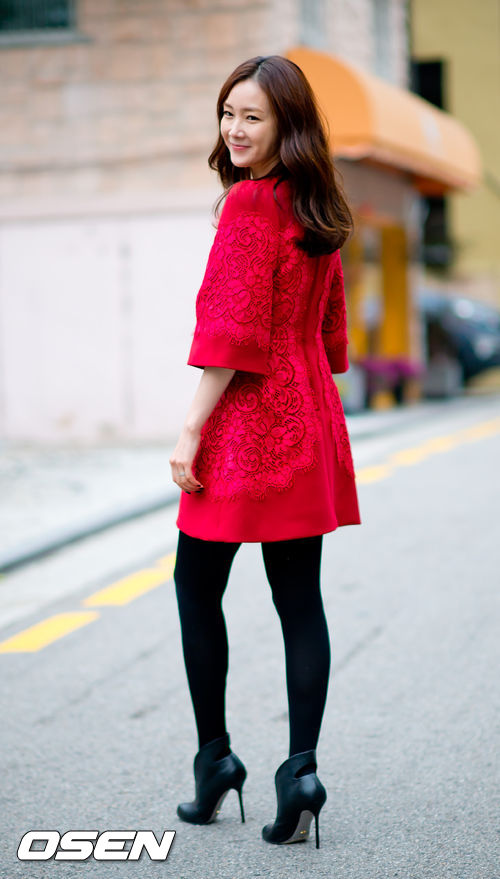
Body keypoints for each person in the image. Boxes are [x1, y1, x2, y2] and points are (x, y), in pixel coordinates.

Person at [170, 54, 361, 849]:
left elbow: (231, 329)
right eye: (228, 113)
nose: (235, 129)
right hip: (307, 414)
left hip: (248, 421)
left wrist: (191, 428)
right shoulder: (316, 203)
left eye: (252, 116)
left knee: (194, 583)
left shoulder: (250, 204)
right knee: (299, 598)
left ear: (287, 124)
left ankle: (215, 758)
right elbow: (332, 330)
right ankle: (301, 772)